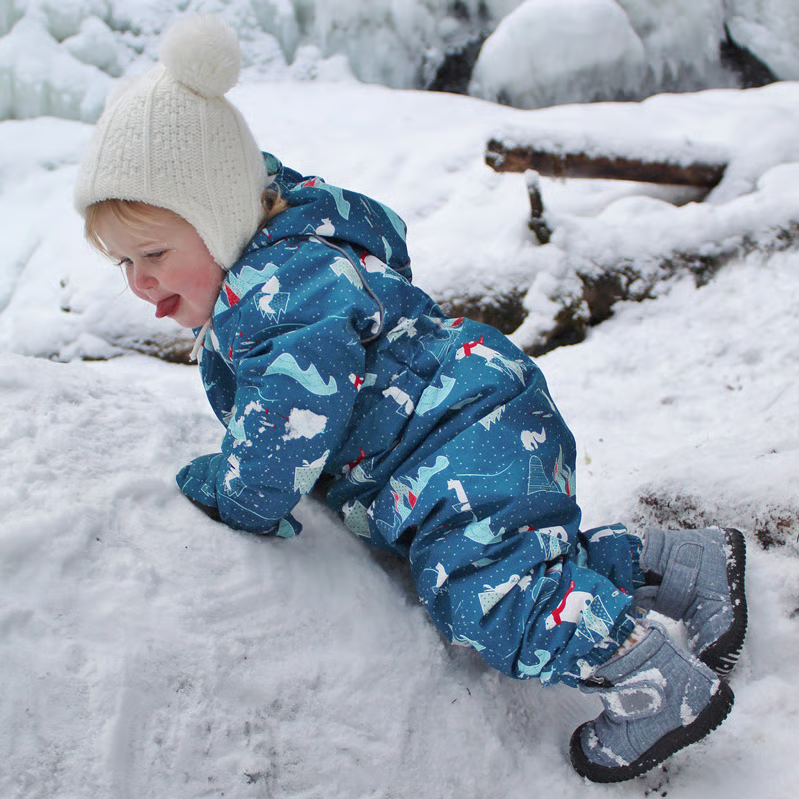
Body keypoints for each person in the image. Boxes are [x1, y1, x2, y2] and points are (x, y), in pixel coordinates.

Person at [74, 15, 747, 783]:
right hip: (470, 415)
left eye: (155, 253)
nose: (140, 280)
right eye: (122, 261)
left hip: (455, 440)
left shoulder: (279, 292)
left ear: (220, 215)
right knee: (518, 563)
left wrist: (231, 492)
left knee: (487, 590)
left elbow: (286, 434)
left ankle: (650, 679)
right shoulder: (290, 252)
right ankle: (681, 565)